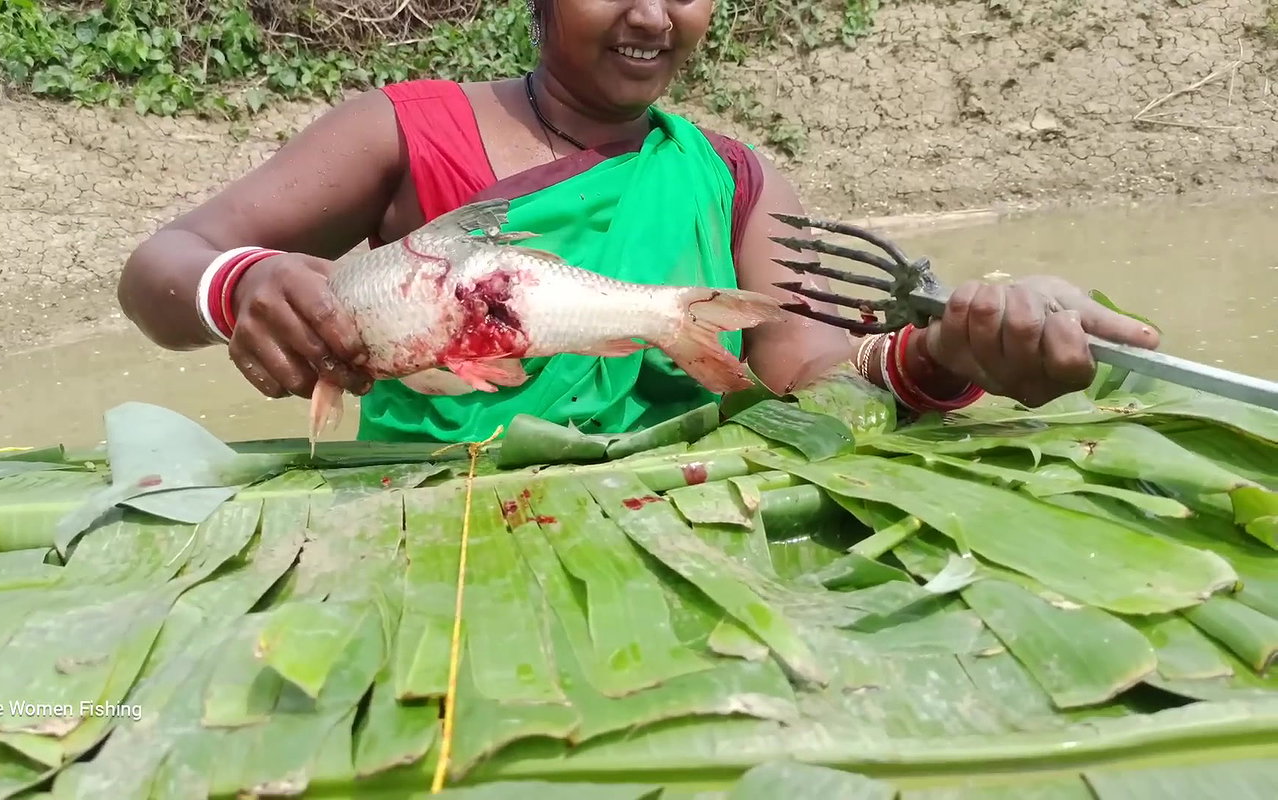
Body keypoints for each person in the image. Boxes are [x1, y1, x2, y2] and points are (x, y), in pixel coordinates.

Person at [117, 0, 1160, 443]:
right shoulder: (403, 128)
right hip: (426, 528)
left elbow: (806, 385)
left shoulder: (736, 178)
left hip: (680, 532)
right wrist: (242, 283)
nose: (654, 15)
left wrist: (945, 351)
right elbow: (160, 267)